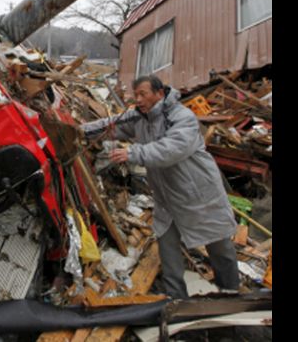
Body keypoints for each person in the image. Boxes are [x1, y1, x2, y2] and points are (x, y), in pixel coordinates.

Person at [80, 75, 239, 299]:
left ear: (160, 93)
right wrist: (80, 129)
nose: (138, 99)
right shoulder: (139, 117)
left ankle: (231, 291)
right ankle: (176, 299)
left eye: (143, 94)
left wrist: (133, 153)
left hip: (198, 194)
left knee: (219, 244)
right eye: (135, 95)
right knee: (168, 248)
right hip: (167, 196)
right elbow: (111, 126)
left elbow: (172, 149)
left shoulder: (182, 117)